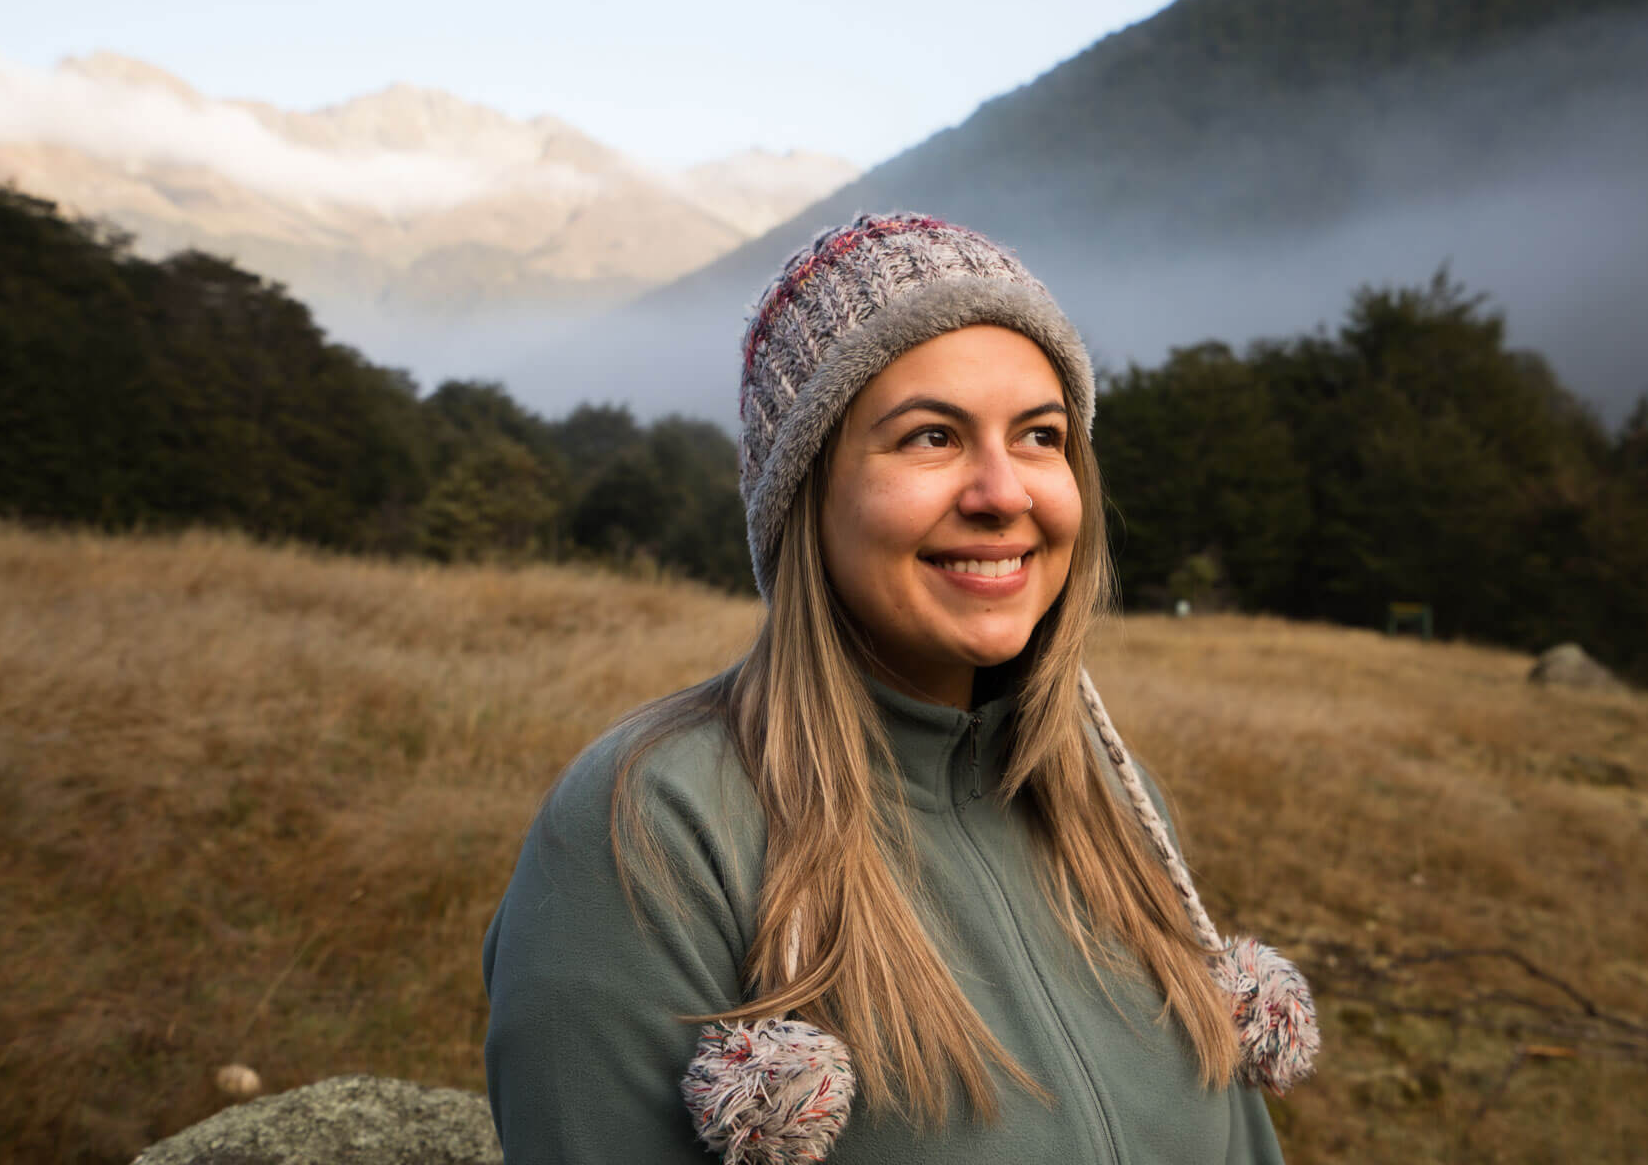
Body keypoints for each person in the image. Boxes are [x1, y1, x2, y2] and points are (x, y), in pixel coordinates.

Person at [482, 213, 1316, 1164]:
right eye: (931, 436)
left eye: (1040, 436)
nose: (1004, 493)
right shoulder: (650, 832)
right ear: (804, 495)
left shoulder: (1115, 805)